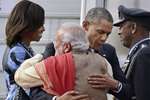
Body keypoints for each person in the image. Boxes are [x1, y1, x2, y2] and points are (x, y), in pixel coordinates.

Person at [32, 7, 128, 100]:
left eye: (108, 34)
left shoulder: (108, 51)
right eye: (100, 32)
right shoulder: (56, 47)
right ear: (85, 25)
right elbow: (35, 91)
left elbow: (128, 91)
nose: (104, 38)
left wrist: (115, 85)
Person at [15, 22, 113, 100]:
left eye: (56, 45)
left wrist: (42, 56)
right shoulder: (103, 61)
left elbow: (19, 77)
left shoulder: (56, 64)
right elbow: (108, 88)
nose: (55, 48)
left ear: (66, 47)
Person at [2, 0, 45, 99]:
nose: (43, 28)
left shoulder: (22, 48)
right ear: (26, 25)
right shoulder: (18, 51)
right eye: (39, 24)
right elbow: (32, 82)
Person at [114, 5, 150, 100]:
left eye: (121, 26)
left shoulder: (144, 54)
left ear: (133, 27)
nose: (119, 32)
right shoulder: (139, 51)